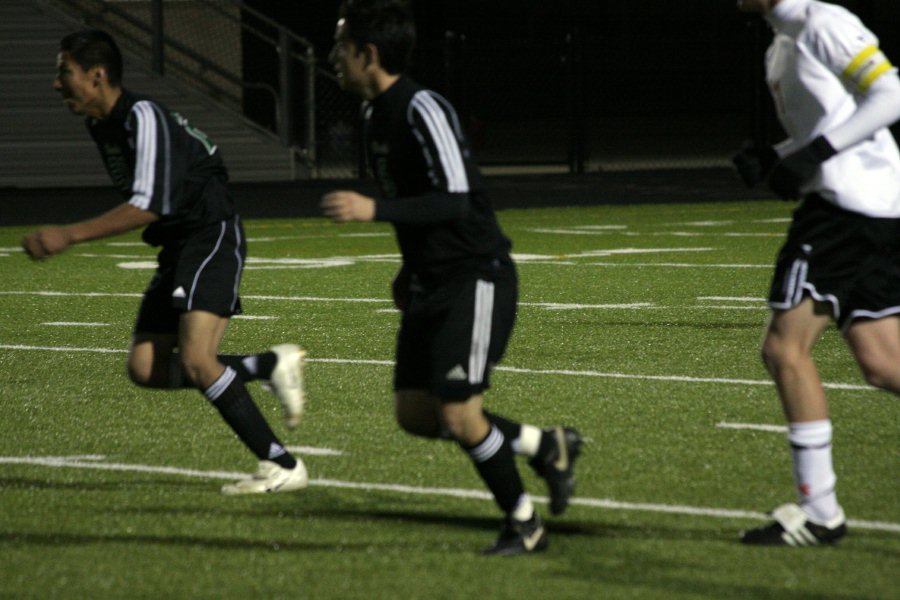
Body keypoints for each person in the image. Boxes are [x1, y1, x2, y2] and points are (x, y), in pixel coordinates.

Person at [320, 0, 582, 556]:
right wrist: (408, 267)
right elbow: (414, 200)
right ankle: (546, 445)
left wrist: (375, 212)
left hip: (474, 276)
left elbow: (455, 200)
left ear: (369, 54)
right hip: (430, 280)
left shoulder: (422, 108)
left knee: (461, 413)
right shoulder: (374, 117)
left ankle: (524, 523)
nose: (332, 57)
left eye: (341, 46)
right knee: (416, 415)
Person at [22, 30, 309, 495]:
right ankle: (264, 366)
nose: (58, 84)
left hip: (208, 232)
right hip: (178, 243)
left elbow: (147, 204)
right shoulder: (102, 124)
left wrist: (69, 234)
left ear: (97, 77)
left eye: (65, 72)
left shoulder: (141, 116)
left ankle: (282, 464)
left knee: (197, 360)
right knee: (146, 368)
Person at [733, 0, 900, 546]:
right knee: (883, 364)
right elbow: (833, 121)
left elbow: (891, 94)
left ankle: (821, 511)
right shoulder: (779, 41)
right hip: (866, 212)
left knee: (785, 349)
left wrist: (815, 155)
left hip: (845, 212)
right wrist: (779, 155)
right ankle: (821, 511)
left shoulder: (822, 22)